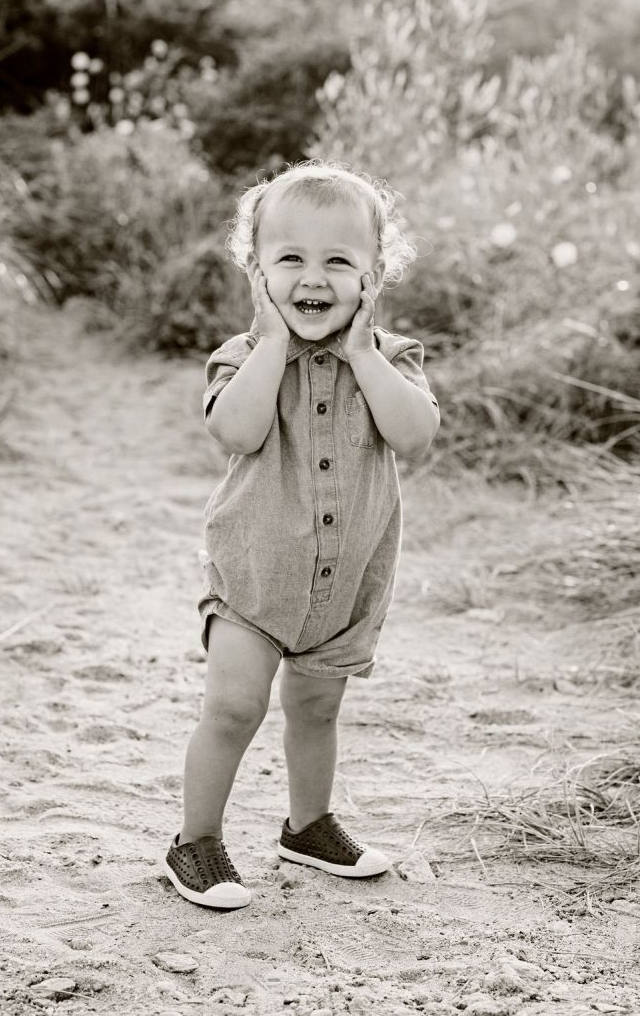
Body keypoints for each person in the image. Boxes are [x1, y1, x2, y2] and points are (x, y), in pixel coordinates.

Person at [164, 159, 440, 909]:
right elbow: (236, 429)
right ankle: (194, 841)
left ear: (371, 277)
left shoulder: (390, 359)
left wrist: (360, 353)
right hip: (254, 578)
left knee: (316, 709)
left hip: (344, 584)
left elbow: (415, 436)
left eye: (337, 262)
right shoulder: (242, 357)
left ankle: (307, 825)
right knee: (232, 707)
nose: (310, 278)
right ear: (257, 273)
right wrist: (270, 344)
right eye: (288, 259)